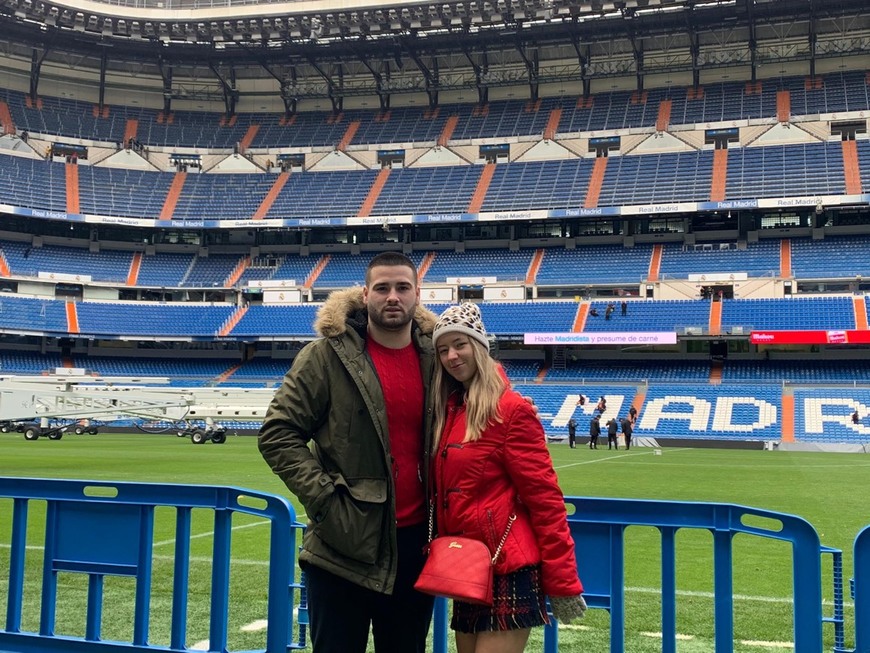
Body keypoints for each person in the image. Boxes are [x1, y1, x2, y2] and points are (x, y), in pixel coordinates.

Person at [258, 252, 438, 653]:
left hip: (415, 548)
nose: (393, 296)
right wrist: (326, 500)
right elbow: (278, 433)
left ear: (417, 295)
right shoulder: (325, 355)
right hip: (342, 545)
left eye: (402, 287)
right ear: (365, 294)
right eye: (382, 288)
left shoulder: (438, 358)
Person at [430, 303, 586, 653]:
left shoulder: (512, 410)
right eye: (443, 349)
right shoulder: (451, 408)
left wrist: (563, 581)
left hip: (509, 569)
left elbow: (545, 500)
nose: (452, 356)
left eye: (461, 344)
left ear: (480, 347)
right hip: (467, 566)